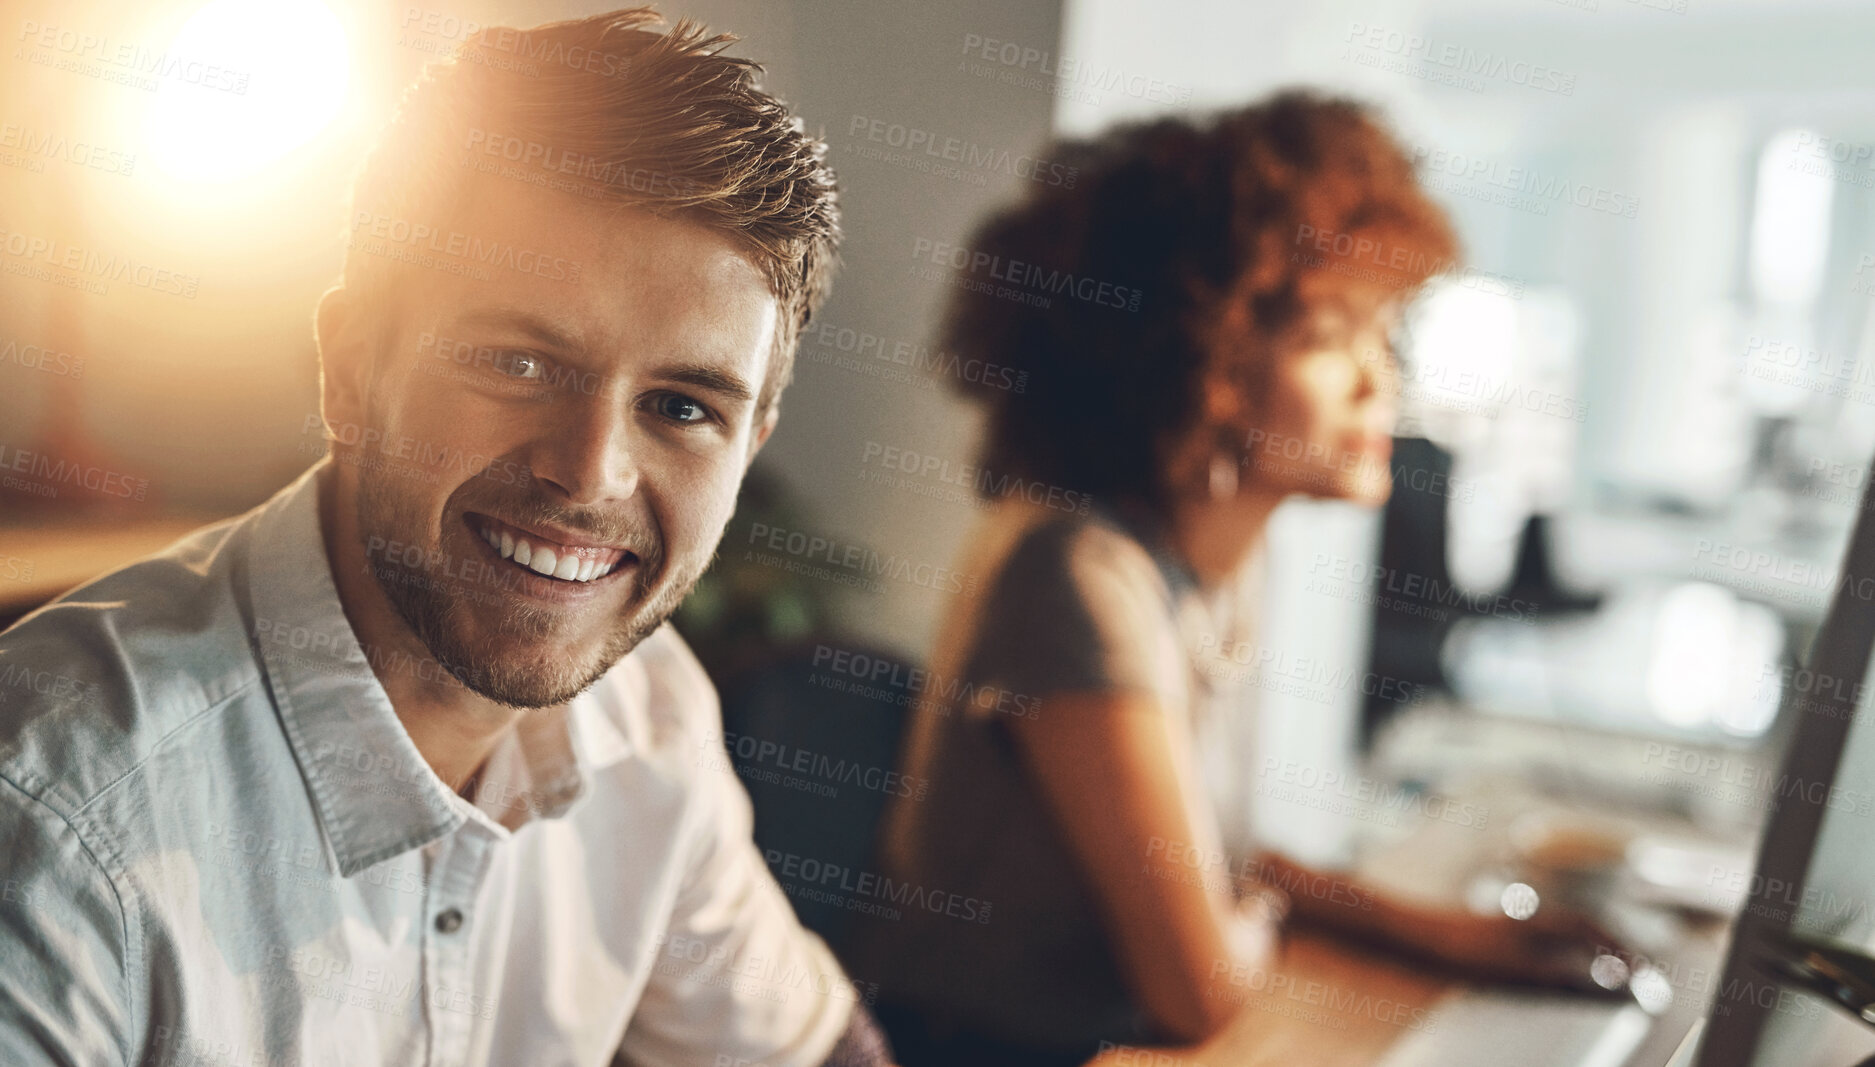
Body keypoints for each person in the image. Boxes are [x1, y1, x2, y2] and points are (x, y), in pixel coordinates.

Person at [0, 9, 892, 1066]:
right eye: (517, 362)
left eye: (684, 406)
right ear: (350, 367)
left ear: (750, 445)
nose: (591, 470)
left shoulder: (650, 715)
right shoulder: (56, 817)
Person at [848, 91, 1613, 1066]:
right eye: (1336, 336)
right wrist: (1251, 909)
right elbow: (1197, 984)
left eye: (1386, 335)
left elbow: (1226, 876)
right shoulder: (1075, 571)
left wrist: (1437, 930)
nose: (1383, 381)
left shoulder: (1223, 567)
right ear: (1202, 352)